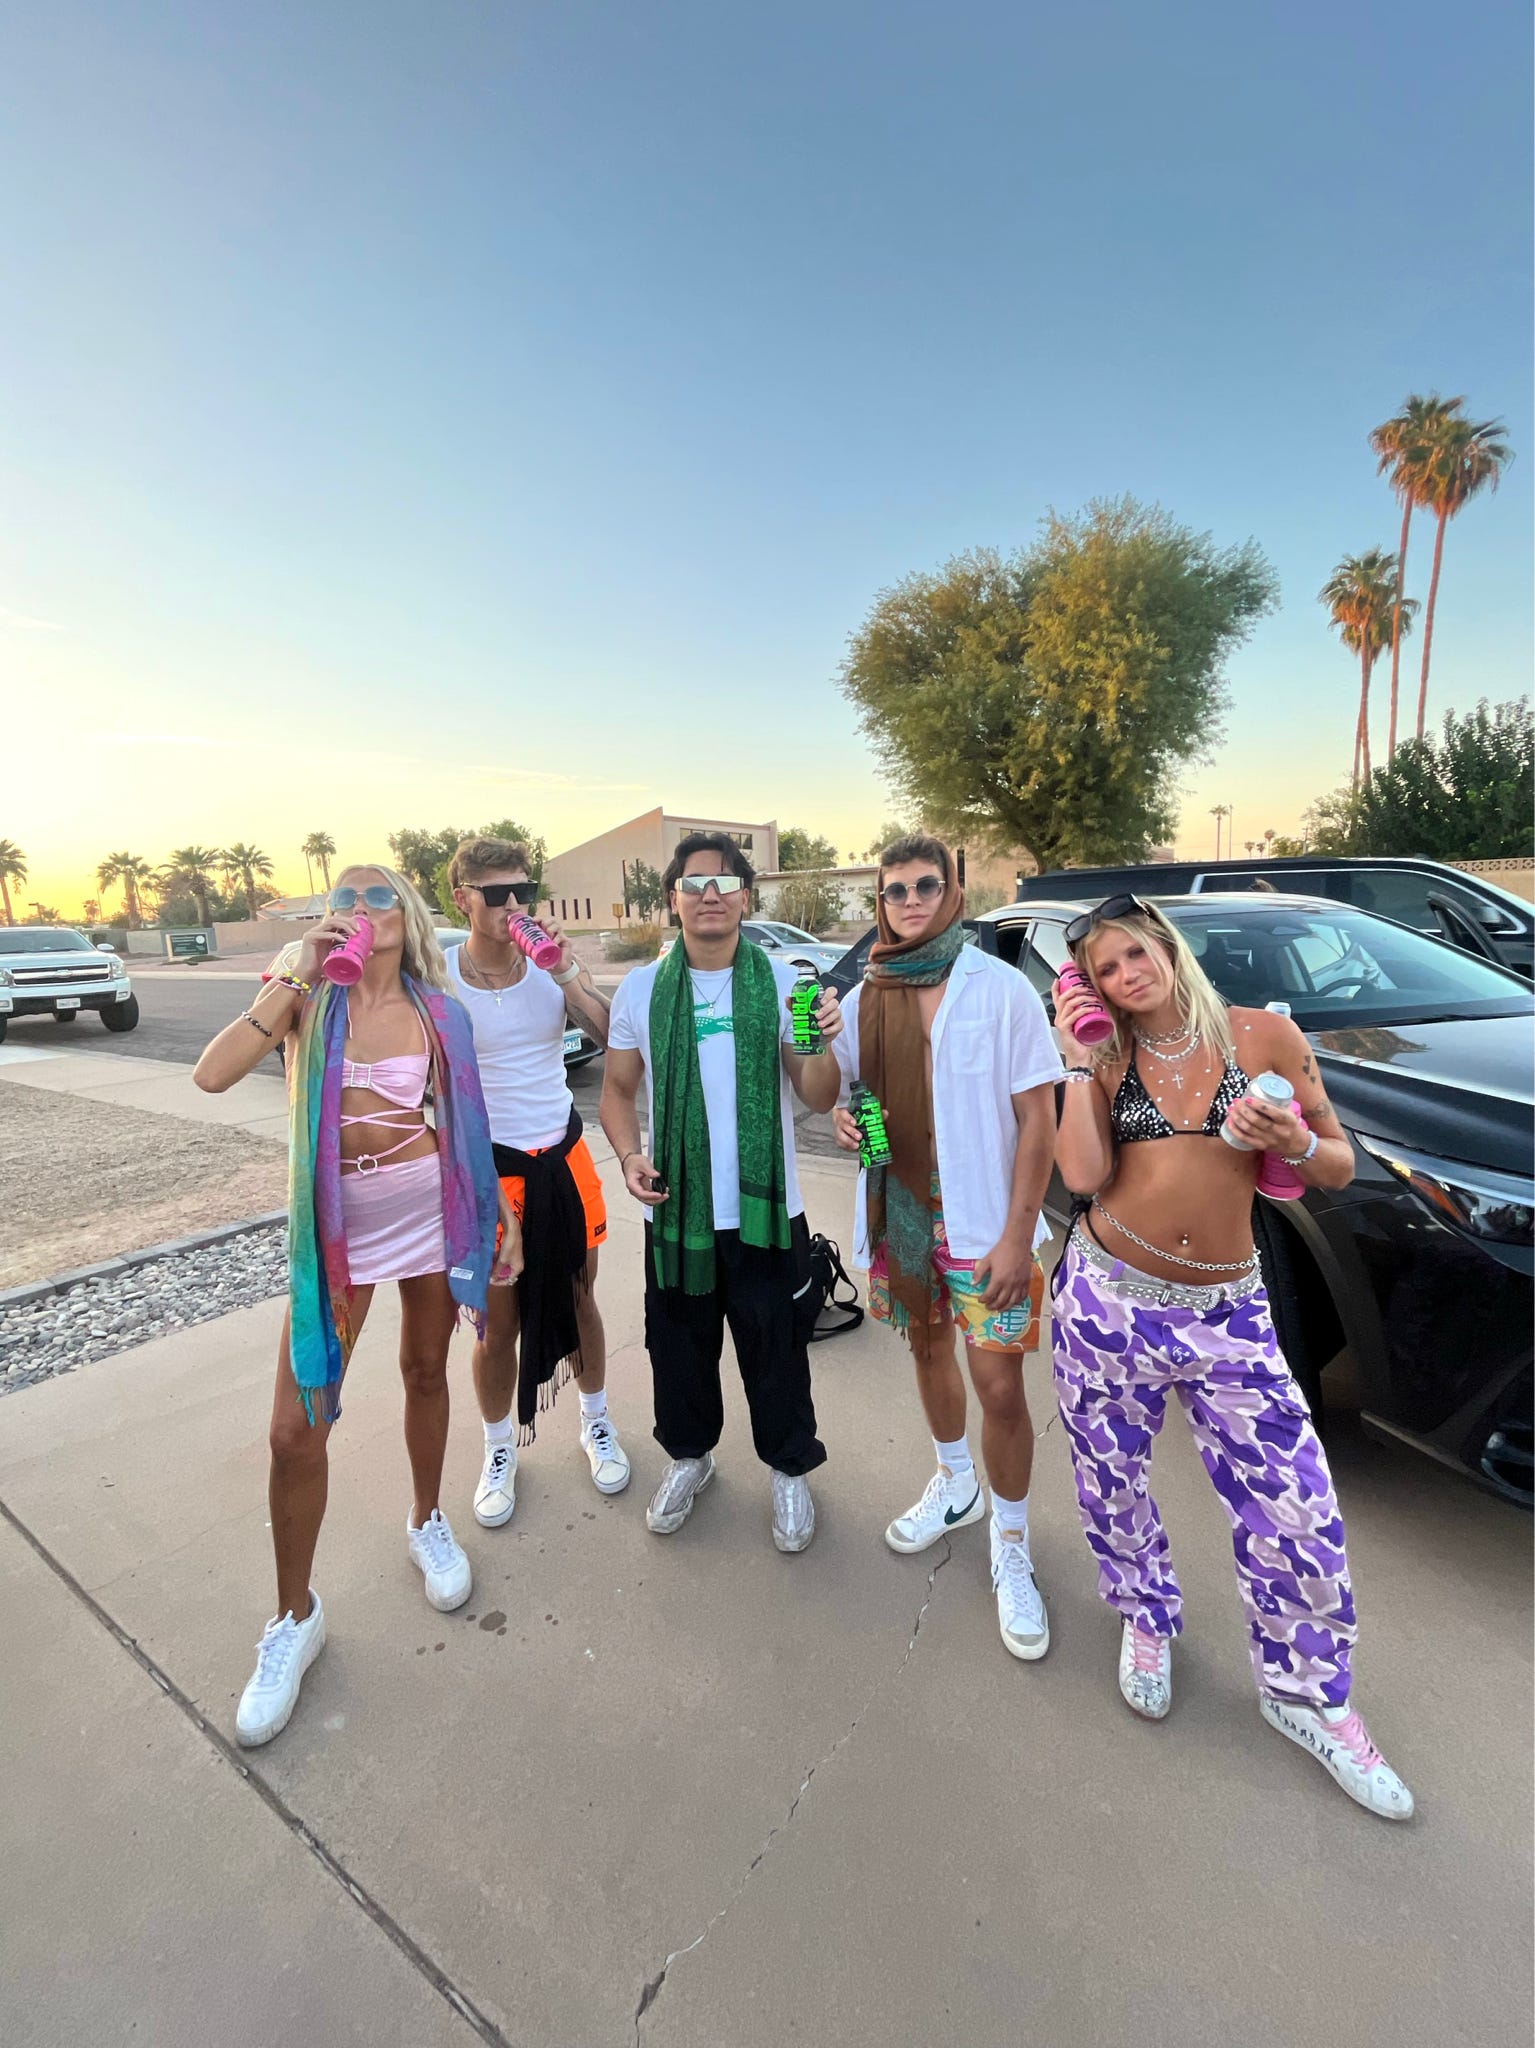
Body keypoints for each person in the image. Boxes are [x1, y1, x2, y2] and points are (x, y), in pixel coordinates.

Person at [1050, 893, 1413, 1820]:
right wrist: (1074, 1063)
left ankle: (1308, 1695)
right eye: (1104, 970)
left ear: (1167, 947)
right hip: (1106, 1300)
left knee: (1293, 1501)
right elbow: (1083, 1176)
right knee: (1111, 1480)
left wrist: (1294, 1138)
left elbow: (1336, 1164)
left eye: (1136, 954)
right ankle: (1144, 1615)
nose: (1126, 976)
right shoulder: (1104, 1054)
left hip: (1228, 1313)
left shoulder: (1264, 1037)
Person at [194, 865, 517, 1749]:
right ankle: (294, 1617)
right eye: (345, 897)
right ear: (329, 917)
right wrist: (297, 971)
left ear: (406, 916)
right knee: (294, 1432)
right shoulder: (305, 1001)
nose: (362, 908)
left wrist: (498, 1217)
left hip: (428, 1214)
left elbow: (464, 1122)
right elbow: (212, 1075)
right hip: (338, 1234)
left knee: (426, 1371)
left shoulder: (438, 1010)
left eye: (380, 896)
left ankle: (427, 1520)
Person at [831, 835, 1061, 1661]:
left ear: (954, 891)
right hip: (899, 1217)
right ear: (881, 902)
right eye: (894, 890)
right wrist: (843, 1119)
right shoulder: (866, 994)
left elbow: (1039, 1120)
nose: (910, 901)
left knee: (1000, 1387)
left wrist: (1015, 1238)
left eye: (925, 885)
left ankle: (1011, 1541)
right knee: (926, 1350)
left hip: (985, 1229)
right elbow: (840, 1097)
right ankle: (954, 1480)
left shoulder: (999, 988)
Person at [600, 832, 842, 1551]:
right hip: (678, 1209)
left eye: (725, 882)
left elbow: (818, 1095)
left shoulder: (786, 983)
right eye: (694, 883)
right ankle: (690, 1457)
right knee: (678, 1349)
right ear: (671, 900)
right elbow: (617, 1091)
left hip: (767, 1212)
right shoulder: (641, 989)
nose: (710, 894)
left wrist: (821, 1041)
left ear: (745, 897)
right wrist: (628, 1154)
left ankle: (789, 1468)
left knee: (777, 1350)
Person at [445, 835, 629, 1524]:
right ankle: (499, 1449)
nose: (514, 906)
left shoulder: (549, 970)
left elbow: (614, 1039)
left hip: (563, 1160)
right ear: (462, 899)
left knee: (581, 1299)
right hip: (489, 1172)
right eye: (497, 894)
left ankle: (596, 1422)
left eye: (524, 891)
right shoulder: (440, 977)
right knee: (498, 1328)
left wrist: (567, 972)